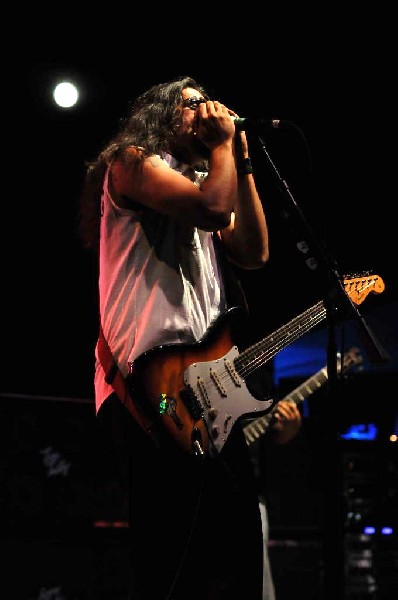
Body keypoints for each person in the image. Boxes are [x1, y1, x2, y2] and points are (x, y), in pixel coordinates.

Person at [78, 75, 271, 599]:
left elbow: (253, 253)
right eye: (190, 106)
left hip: (207, 385)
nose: (207, 112)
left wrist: (239, 157)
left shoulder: (212, 179)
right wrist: (223, 148)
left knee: (235, 548)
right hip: (146, 385)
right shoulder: (133, 161)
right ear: (161, 114)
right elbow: (210, 209)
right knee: (173, 557)